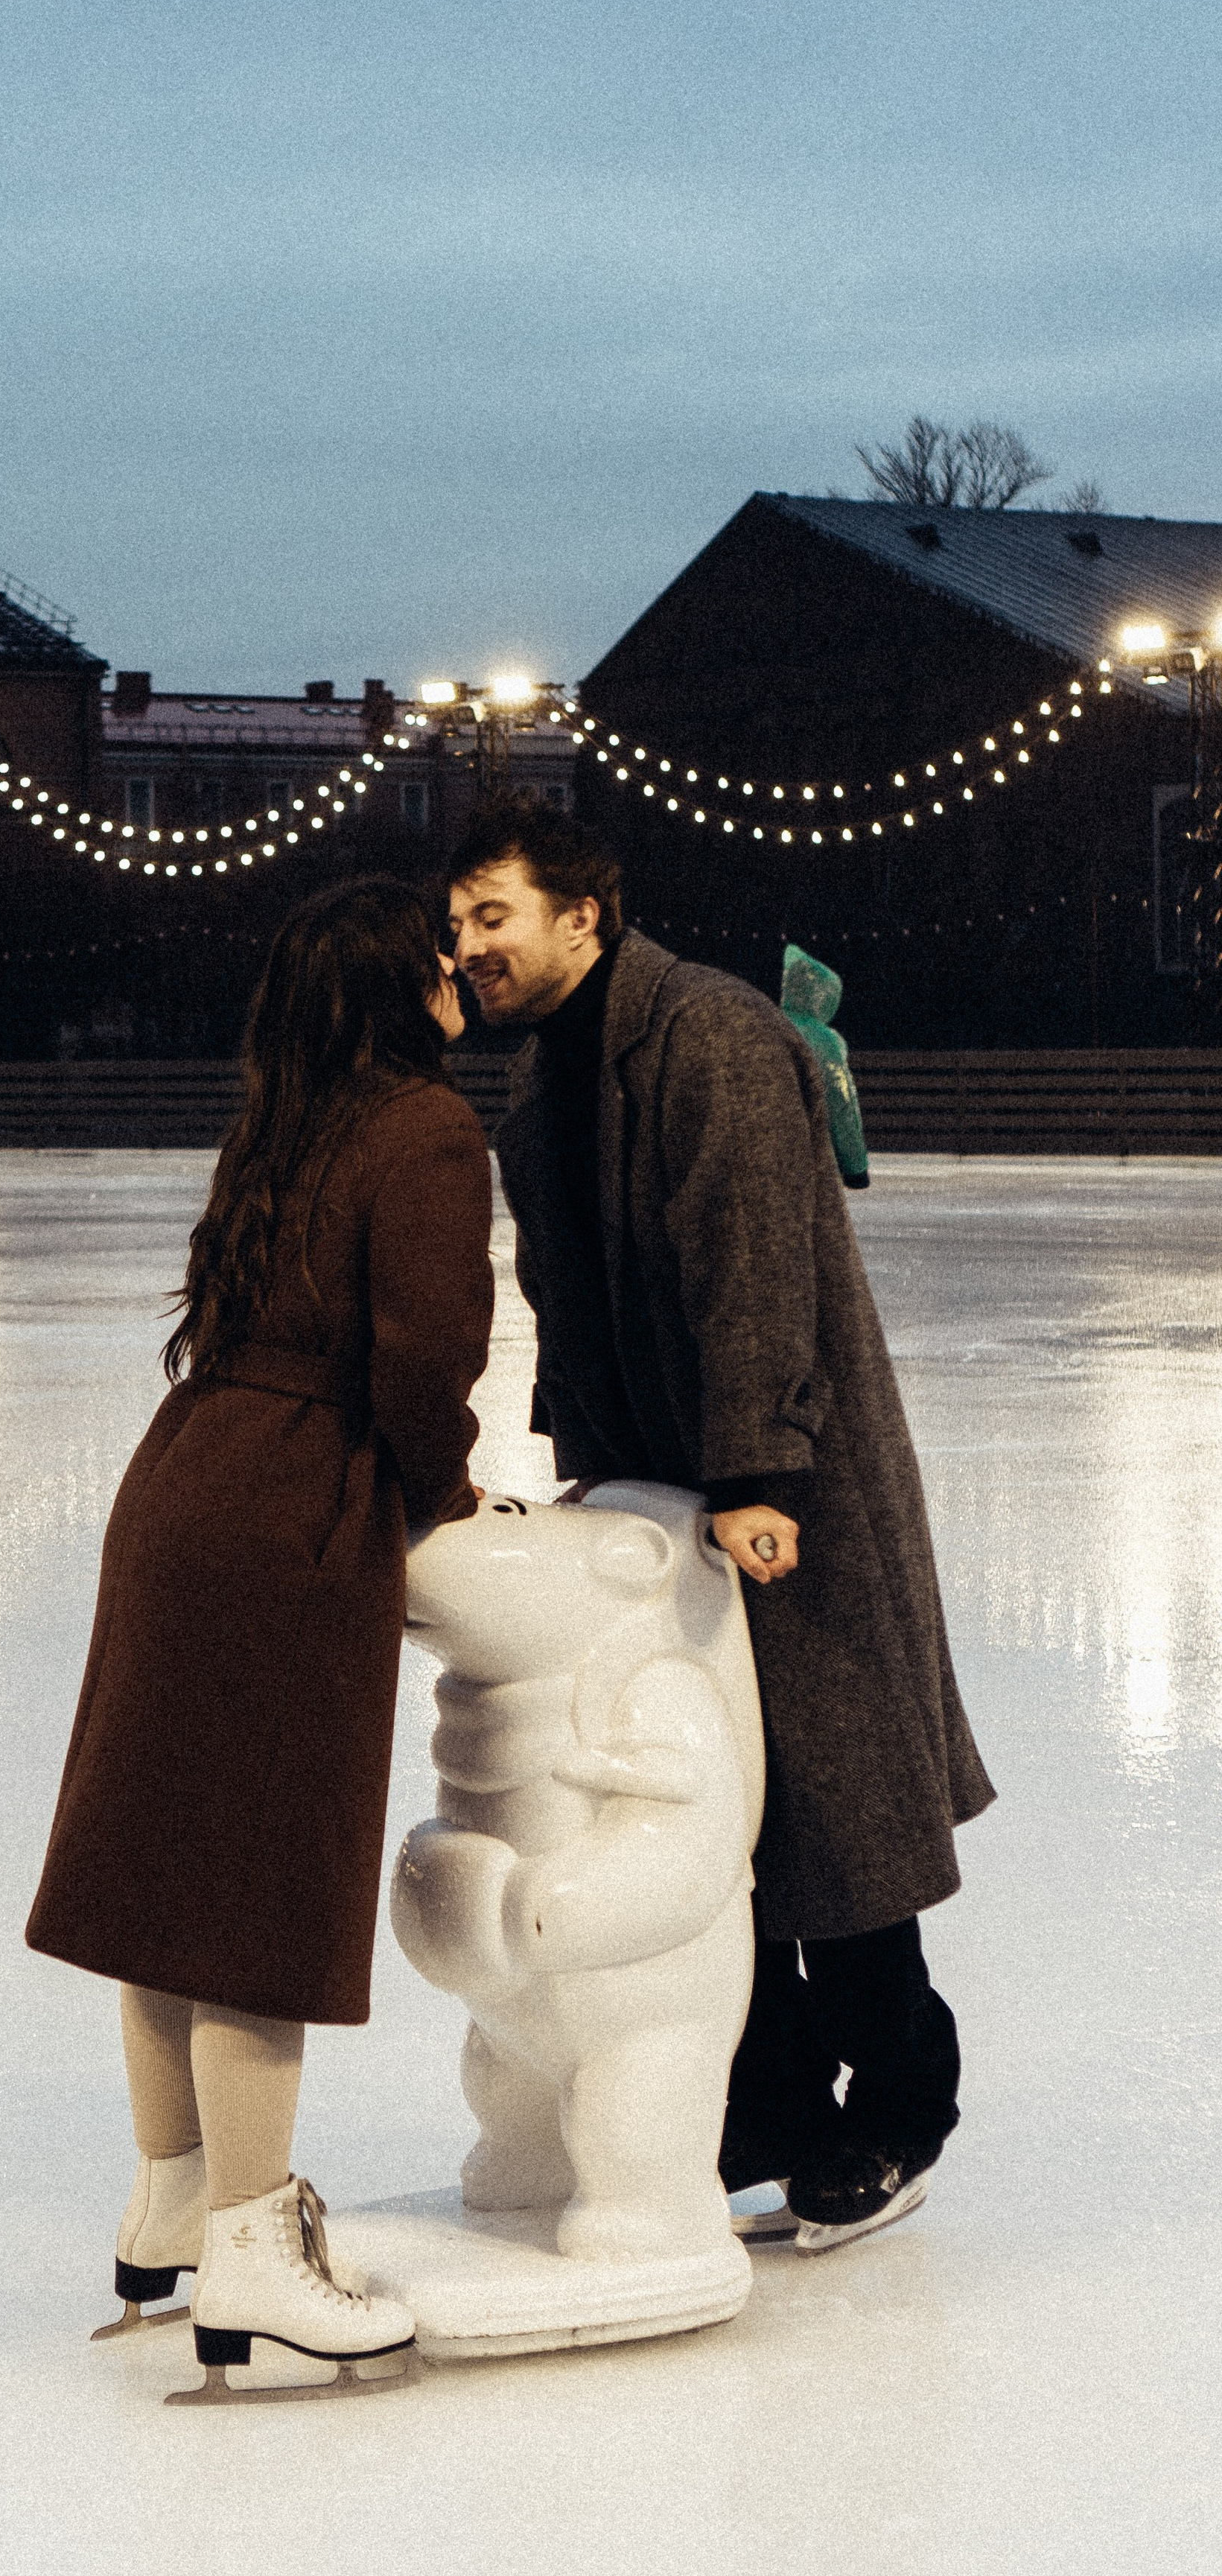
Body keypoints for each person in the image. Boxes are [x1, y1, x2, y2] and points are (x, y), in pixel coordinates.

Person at [446, 798, 993, 2251]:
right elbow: (561, 1298)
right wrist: (588, 1464)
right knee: (701, 1815)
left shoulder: (708, 1035)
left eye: (490, 916)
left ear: (584, 911)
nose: (468, 949)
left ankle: (893, 2107)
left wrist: (755, 1475)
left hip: (782, 1487)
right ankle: (763, 2113)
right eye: (455, 928)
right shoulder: (542, 1086)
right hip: (654, 1499)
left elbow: (753, 1265)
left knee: (830, 1808)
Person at [26, 878, 494, 2392]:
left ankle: (172, 2190)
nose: (460, 972)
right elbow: (421, 1355)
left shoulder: (280, 1120)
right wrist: (439, 1495)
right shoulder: (422, 1127)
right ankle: (248, 2243)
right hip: (291, 1509)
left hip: (184, 1481)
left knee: (165, 1873)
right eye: (439, 956)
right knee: (250, 1896)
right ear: (394, 985)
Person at [780, 944, 871, 1189]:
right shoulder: (822, 1040)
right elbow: (840, 1100)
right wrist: (855, 1168)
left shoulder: (768, 1024)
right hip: (806, 1158)